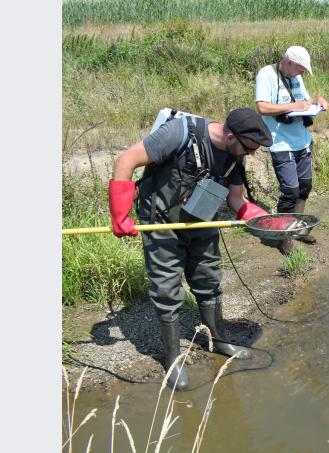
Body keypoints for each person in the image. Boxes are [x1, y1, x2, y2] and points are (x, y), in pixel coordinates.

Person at [108, 108, 274, 391]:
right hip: (160, 221)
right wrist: (119, 213)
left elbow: (236, 199)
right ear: (231, 135)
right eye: (249, 148)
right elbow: (126, 160)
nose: (251, 154)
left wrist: (261, 219)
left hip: (202, 218)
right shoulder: (180, 133)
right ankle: (172, 360)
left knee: (209, 279)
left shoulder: (237, 155)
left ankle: (218, 340)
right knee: (166, 288)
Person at [255, 45, 329, 255]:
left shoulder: (296, 76)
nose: (302, 73)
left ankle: (298, 228)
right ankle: (283, 237)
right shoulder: (266, 74)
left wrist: (317, 101)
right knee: (290, 190)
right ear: (288, 62)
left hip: (302, 141)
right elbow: (261, 107)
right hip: (281, 143)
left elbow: (303, 102)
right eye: (300, 68)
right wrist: (292, 107)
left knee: (304, 187)